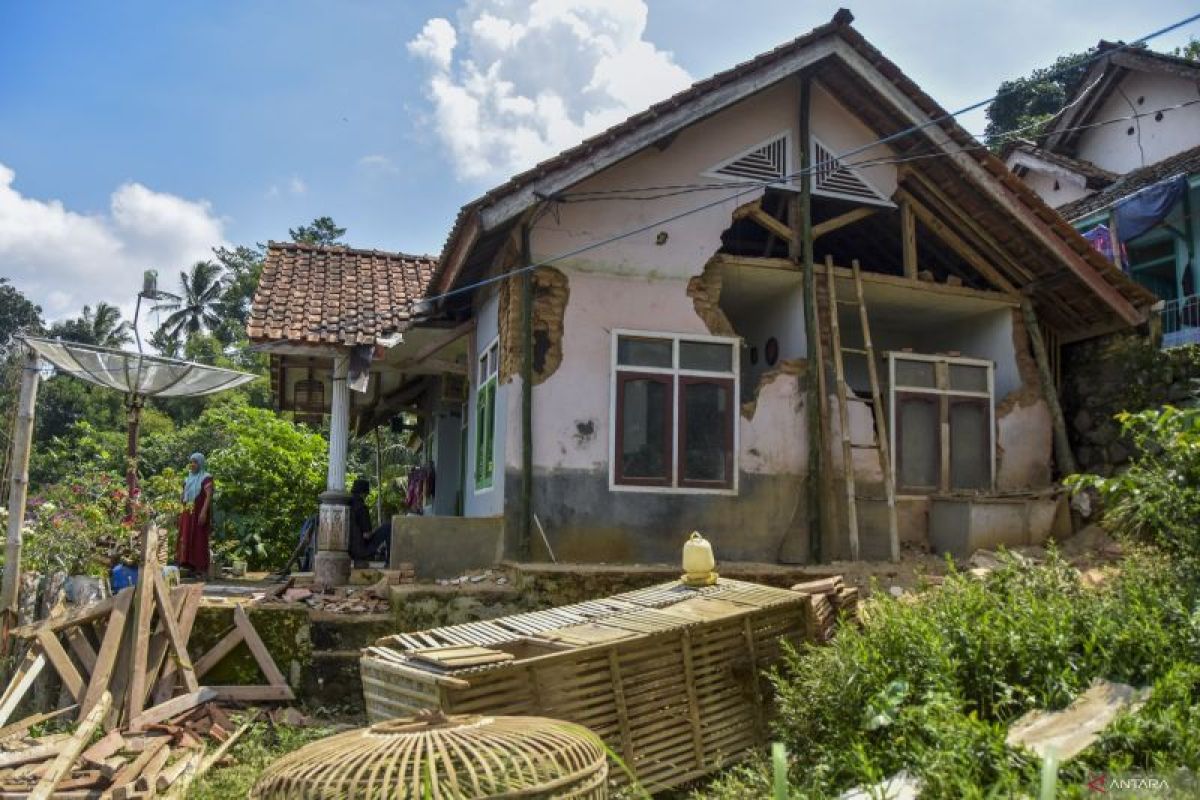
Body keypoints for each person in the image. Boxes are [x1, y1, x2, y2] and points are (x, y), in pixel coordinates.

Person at [177, 452, 214, 576]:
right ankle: (187, 565)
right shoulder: (188, 478)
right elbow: (183, 496)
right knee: (186, 535)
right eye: (191, 462)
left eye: (195, 462)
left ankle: (200, 567)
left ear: (201, 463)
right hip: (187, 512)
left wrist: (203, 512)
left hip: (199, 511)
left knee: (199, 537)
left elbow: (208, 497)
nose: (192, 464)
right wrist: (180, 509)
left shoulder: (206, 477)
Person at [349, 478, 391, 565]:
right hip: (361, 550)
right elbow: (367, 535)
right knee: (388, 526)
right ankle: (389, 561)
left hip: (348, 550)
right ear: (363, 494)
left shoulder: (347, 505)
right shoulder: (361, 507)